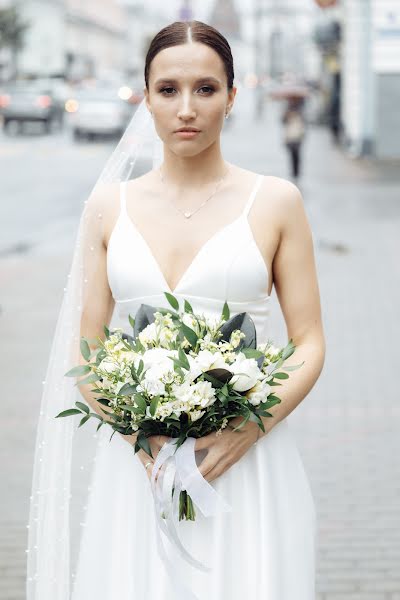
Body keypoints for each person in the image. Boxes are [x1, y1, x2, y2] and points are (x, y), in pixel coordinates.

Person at [27, 20, 325, 600]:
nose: (186, 108)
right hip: (140, 465)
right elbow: (86, 344)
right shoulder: (107, 207)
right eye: (168, 90)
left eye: (206, 89)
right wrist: (139, 436)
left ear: (233, 97)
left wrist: (248, 427)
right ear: (146, 97)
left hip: (245, 459)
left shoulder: (276, 202)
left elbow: (309, 339)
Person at [282, 97, 306, 180]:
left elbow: (303, 122)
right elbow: (283, 121)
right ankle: (294, 171)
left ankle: (296, 172)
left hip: (297, 135)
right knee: (292, 154)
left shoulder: (300, 110)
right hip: (290, 135)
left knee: (297, 154)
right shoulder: (287, 110)